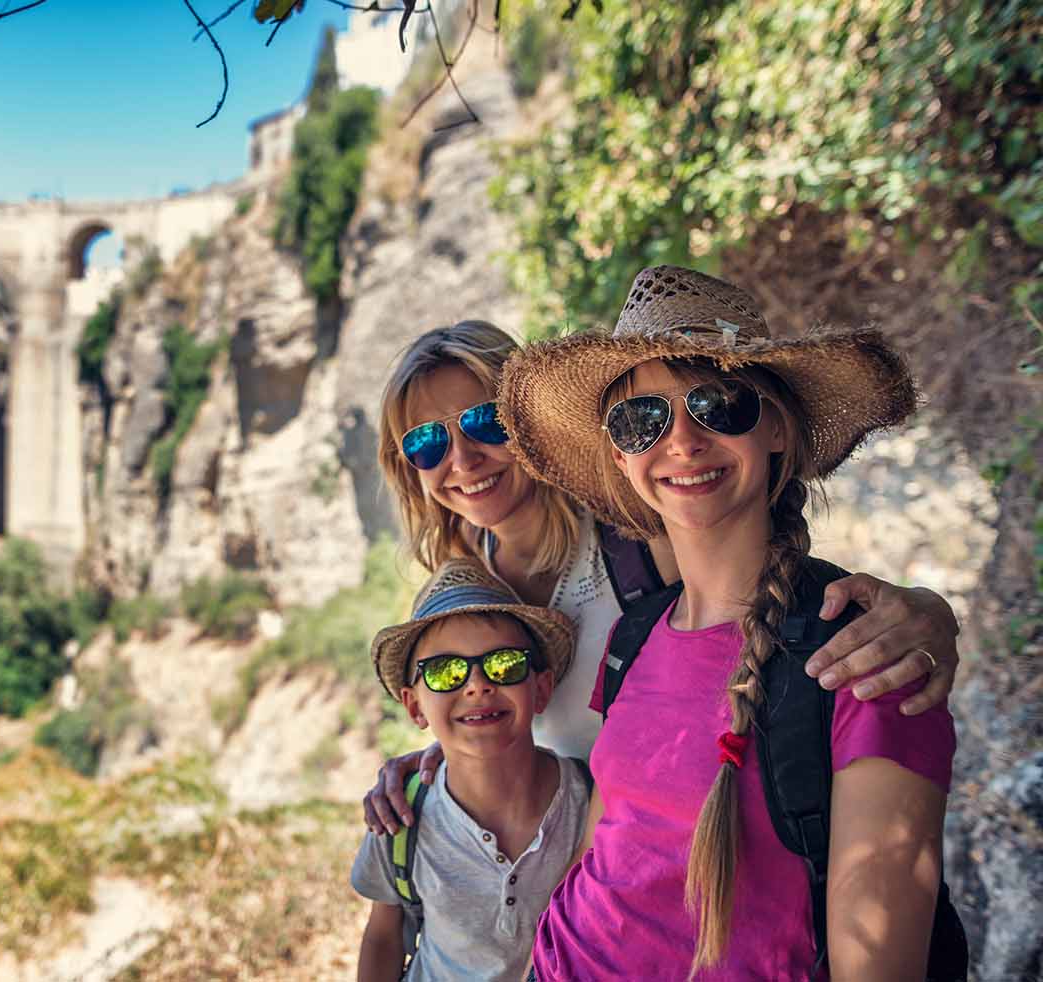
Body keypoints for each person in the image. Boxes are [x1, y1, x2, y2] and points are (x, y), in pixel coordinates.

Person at [499, 265, 955, 979]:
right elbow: (610, 839)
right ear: (621, 457)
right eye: (642, 419)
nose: (681, 440)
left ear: (776, 426)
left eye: (718, 405)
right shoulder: (634, 632)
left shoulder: (864, 656)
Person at [363, 319, 962, 835]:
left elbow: (775, 580)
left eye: (485, 422)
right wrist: (437, 755)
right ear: (406, 466)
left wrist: (928, 611)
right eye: (426, 442)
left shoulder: (638, 540)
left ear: (531, 425)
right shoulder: (463, 587)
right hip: (572, 872)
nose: (462, 460)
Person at [351, 559, 588, 982]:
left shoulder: (590, 803)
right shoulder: (401, 816)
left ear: (541, 689)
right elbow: (383, 938)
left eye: (504, 664)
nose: (477, 684)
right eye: (446, 672)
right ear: (414, 706)